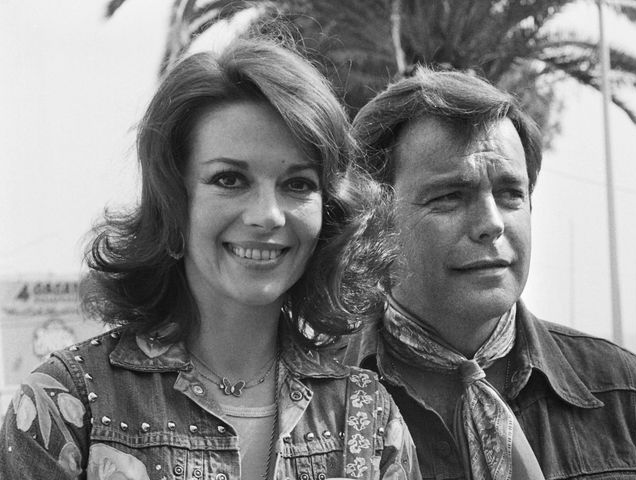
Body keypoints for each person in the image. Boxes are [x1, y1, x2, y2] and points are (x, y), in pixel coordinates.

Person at [0, 36, 421, 480]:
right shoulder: (64, 405)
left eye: (297, 184)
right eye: (229, 179)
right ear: (173, 202)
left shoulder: (369, 418)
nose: (268, 215)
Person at [344, 67, 636, 480]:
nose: (491, 223)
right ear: (375, 217)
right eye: (450, 196)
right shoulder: (317, 402)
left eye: (510, 194)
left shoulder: (626, 395)